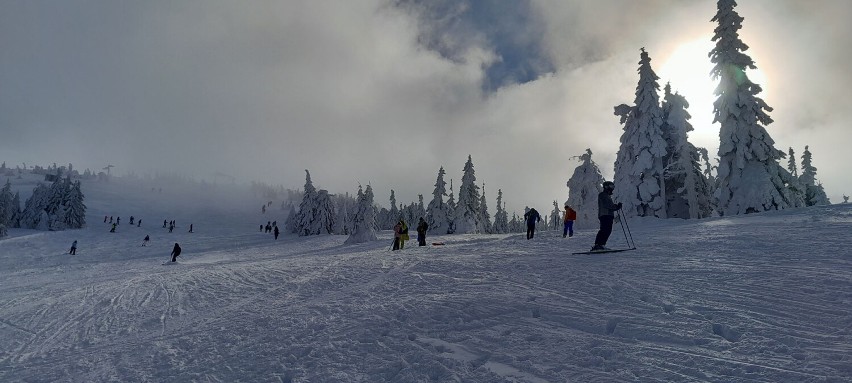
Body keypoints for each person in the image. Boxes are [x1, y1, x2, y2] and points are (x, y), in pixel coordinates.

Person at [592, 181, 623, 251]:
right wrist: (616, 207)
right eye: (611, 186)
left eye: (613, 186)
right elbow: (606, 205)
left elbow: (609, 205)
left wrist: (616, 206)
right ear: (606, 187)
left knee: (607, 230)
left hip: (608, 215)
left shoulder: (607, 195)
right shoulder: (602, 195)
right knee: (605, 230)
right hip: (605, 215)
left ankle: (601, 245)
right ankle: (598, 245)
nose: (612, 188)